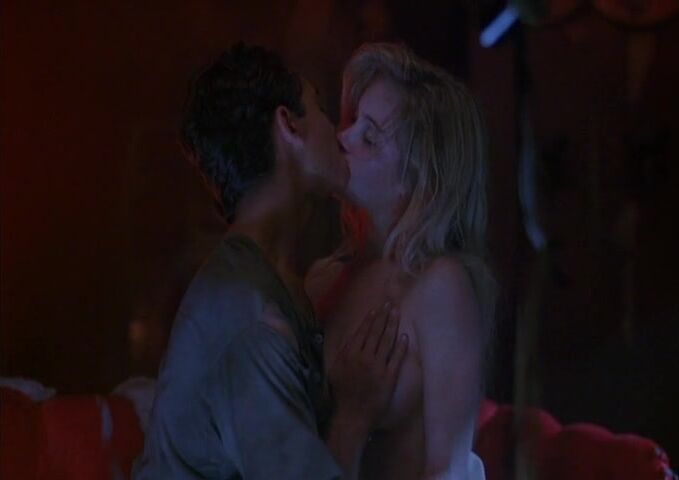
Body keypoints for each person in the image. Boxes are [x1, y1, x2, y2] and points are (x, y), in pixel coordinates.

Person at [133, 43, 408, 480]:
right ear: (288, 125)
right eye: (321, 109)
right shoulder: (250, 318)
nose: (340, 135)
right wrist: (354, 414)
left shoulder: (277, 282)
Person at [307, 43, 495, 480]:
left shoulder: (442, 286)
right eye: (353, 121)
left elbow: (448, 471)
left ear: (419, 177)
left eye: (370, 136)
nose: (343, 137)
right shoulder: (325, 277)